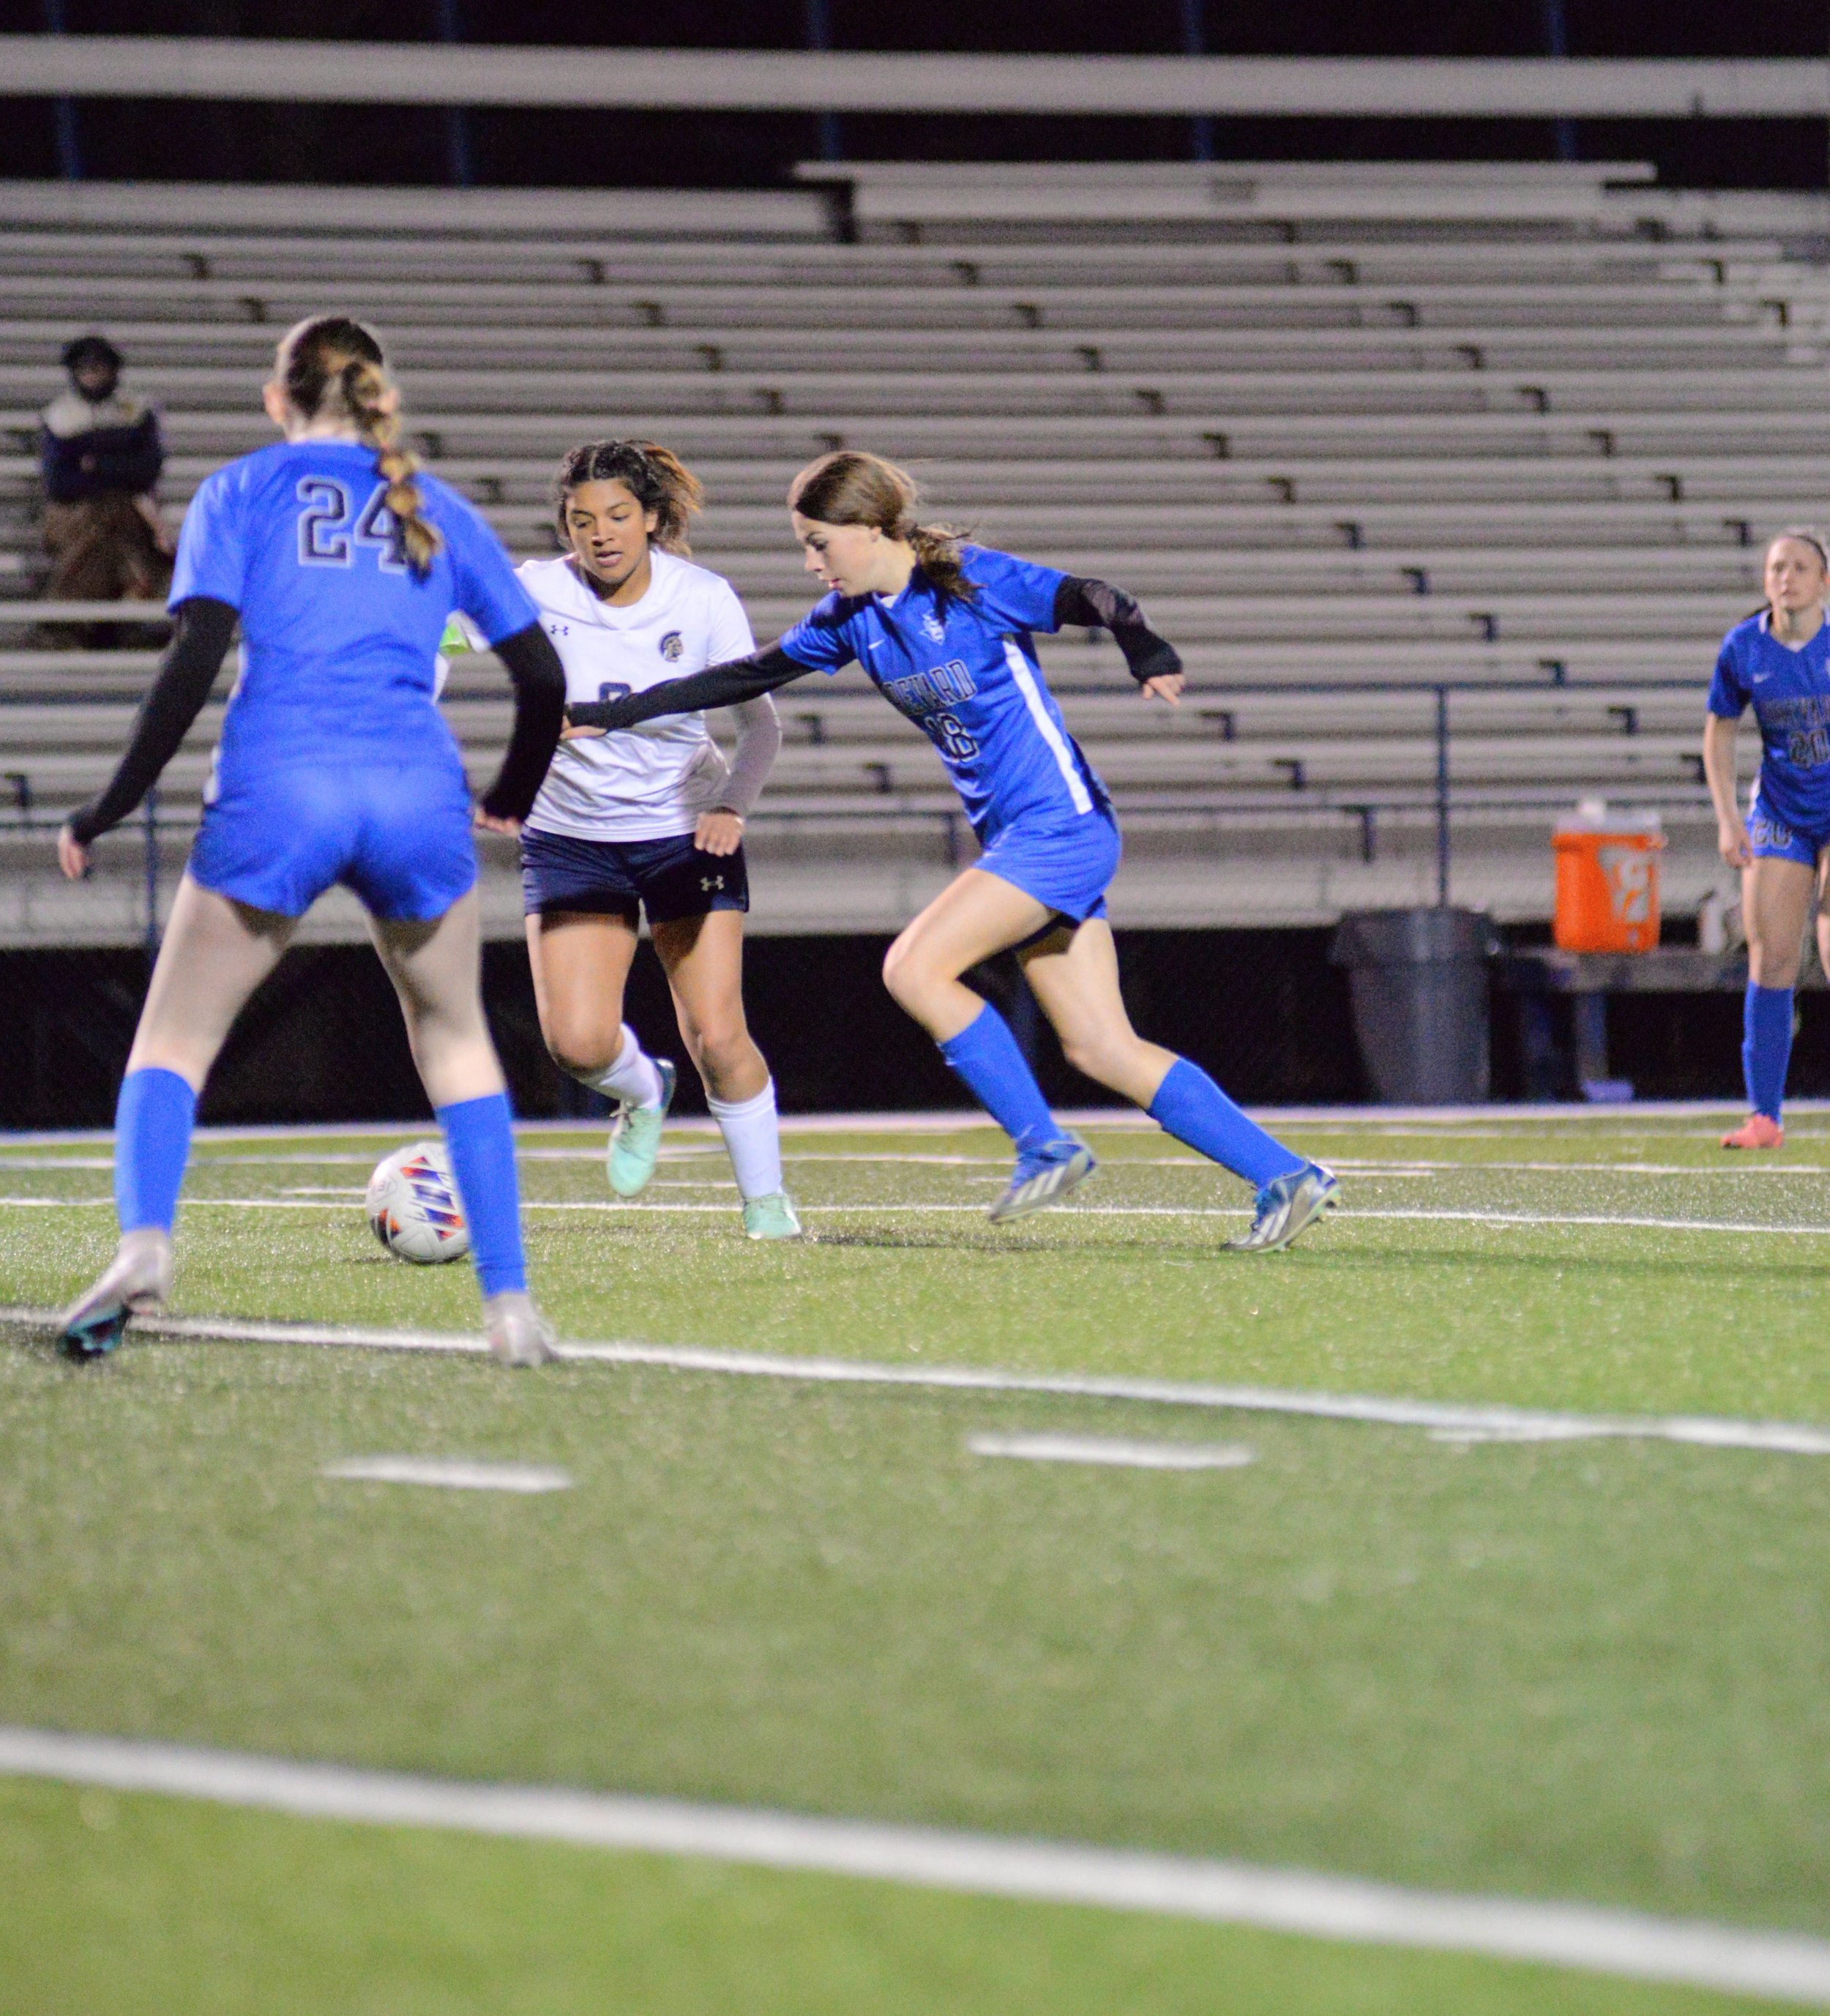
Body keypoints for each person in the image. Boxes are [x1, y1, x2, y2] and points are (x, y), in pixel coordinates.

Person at [572, 450, 1338, 1245]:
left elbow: (1096, 596)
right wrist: (614, 714)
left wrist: (1145, 647)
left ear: (869, 529)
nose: (810, 563)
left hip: (1060, 826)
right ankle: (1287, 1176)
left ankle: (1044, 1147)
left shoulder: (969, 580)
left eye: (818, 543)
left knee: (913, 967)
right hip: (1020, 838)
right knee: (1100, 1046)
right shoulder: (850, 619)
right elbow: (740, 677)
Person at [53, 316, 567, 1365]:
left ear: (276, 397)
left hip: (281, 779)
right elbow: (542, 677)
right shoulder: (436, 502)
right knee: (456, 1038)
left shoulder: (239, 489)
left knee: (174, 1040)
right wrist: (511, 795)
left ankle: (145, 1247)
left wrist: (106, 806)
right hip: (413, 787)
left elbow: (193, 660)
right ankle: (510, 1305)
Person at [515, 438, 797, 1238]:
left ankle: (766, 1203)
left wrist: (731, 807)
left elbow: (760, 727)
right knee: (576, 1044)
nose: (599, 533)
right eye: (581, 520)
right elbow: (441, 638)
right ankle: (644, 1091)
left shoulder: (701, 598)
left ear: (650, 519)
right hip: (571, 835)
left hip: (684, 835)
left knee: (718, 1033)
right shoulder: (532, 590)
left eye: (617, 515)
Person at [1703, 526, 1830, 1149]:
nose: (1787, 577)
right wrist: (1729, 817)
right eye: (1778, 567)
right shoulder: (1743, 647)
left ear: (1824, 581)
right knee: (1772, 955)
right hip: (1781, 811)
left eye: (1801, 567)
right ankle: (1765, 1117)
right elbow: (1720, 730)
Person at [39, 335, 173, 616]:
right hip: (77, 515)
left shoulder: (135, 411)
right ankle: (130, 602)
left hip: (130, 511)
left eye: (99, 367)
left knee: (114, 521)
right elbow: (59, 484)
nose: (91, 374)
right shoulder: (59, 415)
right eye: (84, 368)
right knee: (101, 527)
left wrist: (95, 465)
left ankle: (67, 617)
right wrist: (117, 467)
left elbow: (147, 470)